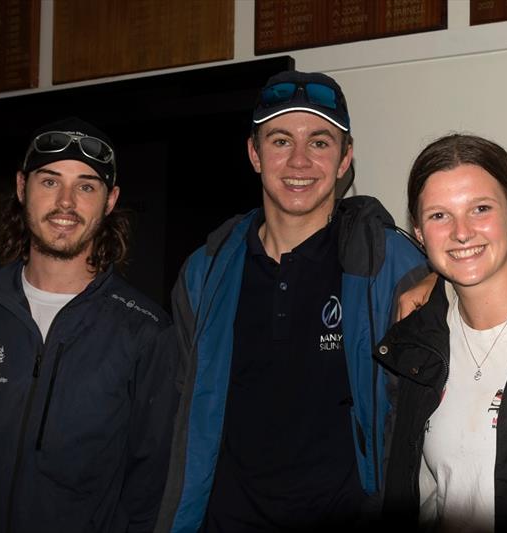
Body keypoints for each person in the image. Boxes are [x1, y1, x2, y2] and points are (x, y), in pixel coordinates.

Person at [154, 70, 427, 532]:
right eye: (281, 141)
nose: (299, 161)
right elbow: (176, 422)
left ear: (345, 159)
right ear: (254, 154)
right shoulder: (207, 272)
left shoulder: (389, 264)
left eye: (319, 142)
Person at [0, 117, 178, 533]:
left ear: (110, 201)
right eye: (50, 181)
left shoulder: (146, 334)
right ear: (22, 188)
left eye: (87, 186)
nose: (66, 202)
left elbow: (152, 495)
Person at [375, 134, 507, 532]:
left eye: (480, 209)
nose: (461, 232)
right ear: (418, 232)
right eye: (439, 216)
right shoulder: (416, 345)